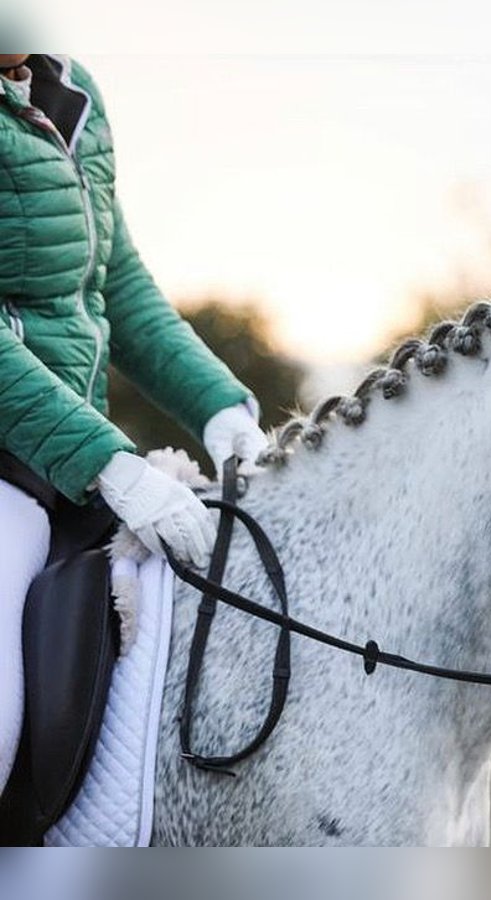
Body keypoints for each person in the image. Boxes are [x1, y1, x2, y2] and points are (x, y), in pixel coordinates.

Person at [0, 54, 270, 792]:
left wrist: (219, 405)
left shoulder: (72, 92)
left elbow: (115, 279)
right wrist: (107, 461)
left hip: (64, 461)